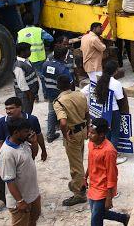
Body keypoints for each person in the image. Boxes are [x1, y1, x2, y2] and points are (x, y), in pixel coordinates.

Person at [0, 117, 41, 226]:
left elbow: (33, 155)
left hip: (33, 194)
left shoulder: (23, 142)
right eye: (26, 131)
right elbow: (9, 180)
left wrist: (34, 143)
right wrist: (20, 201)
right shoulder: (7, 153)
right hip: (20, 200)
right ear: (16, 133)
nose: (29, 133)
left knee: (33, 221)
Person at [82, 60, 128, 163]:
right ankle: (112, 157)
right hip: (113, 111)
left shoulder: (99, 81)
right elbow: (120, 99)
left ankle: (104, 153)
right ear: (115, 71)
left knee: (106, 133)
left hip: (102, 112)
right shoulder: (116, 83)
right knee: (115, 134)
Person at [54, 74, 89, 206]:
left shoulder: (59, 102)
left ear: (58, 87)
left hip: (72, 134)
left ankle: (79, 193)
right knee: (79, 159)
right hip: (82, 130)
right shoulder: (80, 95)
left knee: (76, 165)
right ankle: (79, 183)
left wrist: (64, 134)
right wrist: (87, 126)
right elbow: (87, 113)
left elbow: (63, 122)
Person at [85, 118, 128, 226]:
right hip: (93, 186)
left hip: (103, 190)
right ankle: (124, 218)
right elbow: (90, 163)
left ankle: (124, 218)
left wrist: (108, 199)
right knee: (99, 213)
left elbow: (112, 176)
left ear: (101, 134)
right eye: (89, 132)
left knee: (95, 220)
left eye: (92, 133)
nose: (89, 135)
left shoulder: (109, 151)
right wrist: (85, 178)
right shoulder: (91, 144)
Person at [0, 97, 48, 163]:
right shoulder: (1, 122)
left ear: (20, 107)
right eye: (6, 109)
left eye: (11, 108)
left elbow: (38, 135)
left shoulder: (32, 119)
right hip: (10, 157)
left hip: (28, 154)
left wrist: (43, 150)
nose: (8, 111)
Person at [41, 46, 72, 142]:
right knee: (66, 113)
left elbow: (42, 79)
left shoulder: (45, 64)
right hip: (62, 95)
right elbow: (70, 83)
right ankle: (68, 135)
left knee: (51, 112)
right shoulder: (63, 69)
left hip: (50, 93)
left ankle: (50, 135)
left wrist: (45, 92)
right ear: (64, 56)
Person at [17, 12, 54, 78]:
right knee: (42, 74)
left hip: (27, 59)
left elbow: (18, 45)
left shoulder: (20, 33)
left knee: (30, 75)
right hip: (39, 58)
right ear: (33, 20)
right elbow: (51, 39)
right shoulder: (39, 31)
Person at [13, 42, 40, 114]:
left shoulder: (26, 61)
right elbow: (22, 84)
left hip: (30, 93)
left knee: (29, 111)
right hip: (25, 95)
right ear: (22, 52)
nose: (30, 52)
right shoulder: (18, 66)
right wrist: (30, 95)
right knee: (25, 113)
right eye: (29, 50)